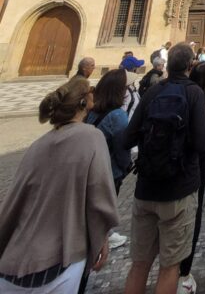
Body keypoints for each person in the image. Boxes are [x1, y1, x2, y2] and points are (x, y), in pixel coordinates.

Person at [0, 76, 118, 293]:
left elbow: (13, 201)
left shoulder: (37, 145)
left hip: (12, 264)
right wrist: (101, 236)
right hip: (60, 261)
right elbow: (99, 195)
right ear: (83, 102)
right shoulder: (91, 137)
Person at [123, 43, 205, 294]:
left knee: (139, 265)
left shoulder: (152, 92)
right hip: (178, 192)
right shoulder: (195, 94)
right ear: (190, 65)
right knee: (170, 266)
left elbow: (127, 139)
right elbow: (203, 143)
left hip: (146, 189)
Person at [177, 62, 205, 294]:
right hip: (194, 171)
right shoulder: (204, 97)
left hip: (159, 180)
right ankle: (183, 274)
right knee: (192, 215)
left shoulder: (159, 92)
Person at [86, 68, 131, 250]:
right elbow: (122, 146)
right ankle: (102, 239)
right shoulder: (117, 115)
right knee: (104, 203)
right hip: (110, 169)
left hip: (91, 168)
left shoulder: (91, 111)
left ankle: (98, 237)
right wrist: (125, 165)